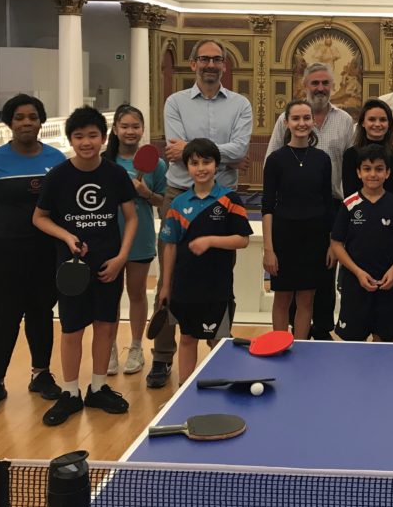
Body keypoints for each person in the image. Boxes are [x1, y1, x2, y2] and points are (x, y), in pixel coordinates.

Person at [149, 38, 252, 389]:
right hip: (179, 192)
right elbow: (177, 151)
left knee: (219, 274)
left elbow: (238, 149)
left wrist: (195, 151)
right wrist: (226, 156)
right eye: (204, 59)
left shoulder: (240, 104)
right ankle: (163, 356)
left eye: (217, 59)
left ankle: (218, 346)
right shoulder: (175, 102)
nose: (211, 64)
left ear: (224, 65)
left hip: (223, 197)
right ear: (193, 64)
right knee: (170, 276)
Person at [33, 106, 138, 426]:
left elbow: (132, 218)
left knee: (105, 326)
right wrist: (67, 236)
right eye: (79, 136)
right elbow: (39, 218)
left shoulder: (115, 174)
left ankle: (98, 387)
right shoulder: (58, 176)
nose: (86, 142)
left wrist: (121, 258)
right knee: (72, 330)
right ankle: (70, 393)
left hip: (109, 265)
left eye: (92, 135)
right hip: (72, 268)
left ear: (104, 138)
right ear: (71, 140)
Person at [0, 94, 66, 414]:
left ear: (41, 122)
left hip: (44, 253)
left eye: (33, 117)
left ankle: (41, 374)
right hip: (1, 254)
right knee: (5, 318)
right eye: (20, 117)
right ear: (9, 122)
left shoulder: (56, 160)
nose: (26, 123)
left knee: (41, 313)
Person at [266, 62, 354, 339]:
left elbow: (348, 170)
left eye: (325, 83)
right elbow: (269, 193)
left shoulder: (343, 124)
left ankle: (317, 335)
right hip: (286, 223)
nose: (320, 88)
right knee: (285, 294)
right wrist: (268, 248)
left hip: (324, 216)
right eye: (315, 83)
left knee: (317, 287)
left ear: (332, 86)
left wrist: (333, 236)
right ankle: (284, 340)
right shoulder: (280, 145)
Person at [157, 138, 253, 383]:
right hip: (185, 286)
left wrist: (210, 240)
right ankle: (184, 389)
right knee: (187, 338)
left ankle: (221, 388)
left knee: (218, 341)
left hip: (216, 286)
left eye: (206, 162)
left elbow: (242, 240)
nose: (201, 168)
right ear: (187, 167)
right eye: (194, 163)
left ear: (216, 165)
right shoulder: (178, 203)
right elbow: (170, 247)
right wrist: (166, 286)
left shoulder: (230, 200)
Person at [103, 104, 167, 378]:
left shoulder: (157, 165)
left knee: (137, 292)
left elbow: (162, 202)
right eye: (125, 126)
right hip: (108, 237)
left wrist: (145, 192)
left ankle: (137, 347)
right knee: (110, 295)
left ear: (142, 130)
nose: (130, 131)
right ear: (115, 129)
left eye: (135, 126)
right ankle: (108, 348)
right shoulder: (103, 162)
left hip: (140, 237)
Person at [262, 100, 334, 339]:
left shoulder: (322, 159)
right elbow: (267, 207)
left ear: (313, 122)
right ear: (286, 123)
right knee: (282, 298)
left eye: (306, 118)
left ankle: (300, 347)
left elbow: (327, 205)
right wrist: (269, 249)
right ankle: (279, 345)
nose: (301, 123)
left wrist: (331, 244)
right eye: (296, 118)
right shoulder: (275, 160)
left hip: (314, 239)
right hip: (284, 238)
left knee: (306, 298)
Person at [331, 144, 393, 342]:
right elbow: (336, 244)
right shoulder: (349, 205)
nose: (373, 174)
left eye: (379, 169)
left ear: (388, 173)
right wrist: (358, 272)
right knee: (354, 343)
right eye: (367, 169)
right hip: (355, 284)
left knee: (384, 342)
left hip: (388, 284)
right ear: (358, 173)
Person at [341, 98, 393, 200]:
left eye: (383, 120)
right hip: (358, 209)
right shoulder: (350, 154)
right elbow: (350, 195)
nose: (377, 124)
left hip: (391, 209)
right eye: (372, 119)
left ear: (389, 124)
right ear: (362, 123)